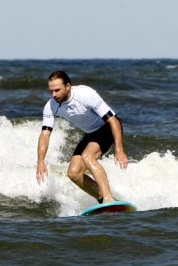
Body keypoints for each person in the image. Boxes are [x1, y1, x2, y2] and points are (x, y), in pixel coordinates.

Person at [36, 71, 128, 204]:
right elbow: (45, 135)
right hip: (91, 134)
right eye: (51, 91)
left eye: (57, 90)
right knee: (74, 173)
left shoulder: (85, 94)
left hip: (107, 128)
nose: (54, 95)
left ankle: (109, 198)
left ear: (68, 86)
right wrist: (40, 161)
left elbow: (113, 121)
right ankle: (103, 198)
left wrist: (119, 149)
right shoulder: (50, 106)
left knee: (88, 156)